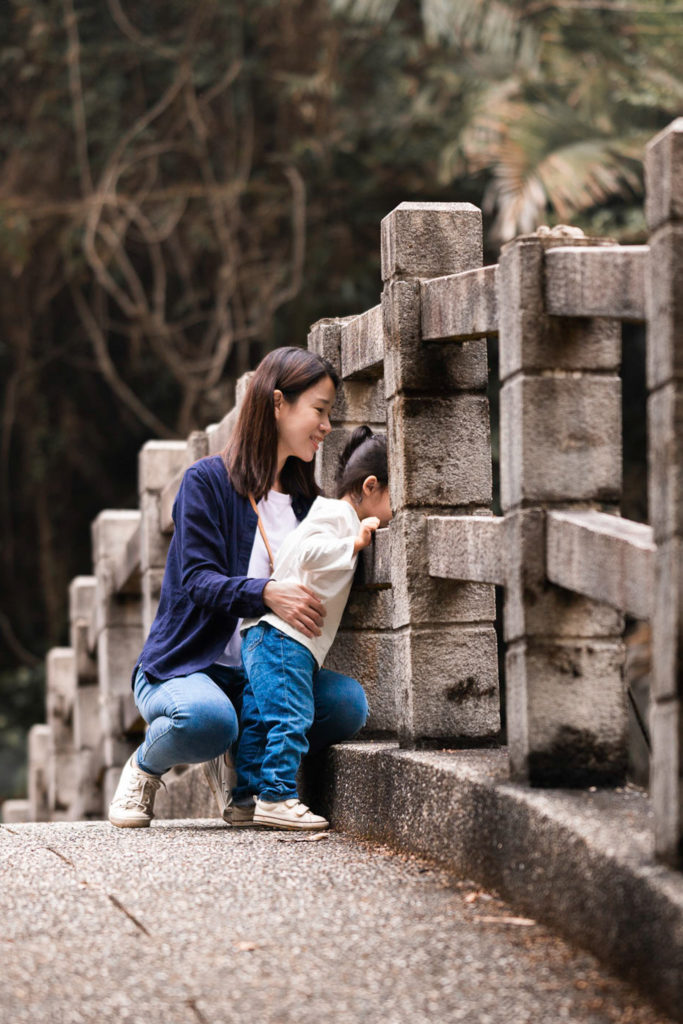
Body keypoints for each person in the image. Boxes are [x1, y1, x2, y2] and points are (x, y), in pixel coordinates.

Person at [108, 347, 369, 828]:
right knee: (206, 720)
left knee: (349, 706)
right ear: (277, 404)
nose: (326, 426)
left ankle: (245, 767)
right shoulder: (206, 482)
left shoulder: (309, 505)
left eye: (329, 414)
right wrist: (266, 593)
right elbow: (197, 581)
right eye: (319, 410)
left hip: (262, 674)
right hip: (187, 666)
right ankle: (144, 768)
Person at [234, 426, 391, 830]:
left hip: (263, 635)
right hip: (286, 639)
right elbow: (307, 552)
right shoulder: (337, 515)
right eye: (395, 497)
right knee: (292, 716)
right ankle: (278, 796)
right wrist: (352, 546)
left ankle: (245, 798)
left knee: (259, 719)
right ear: (370, 486)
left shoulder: (326, 513)